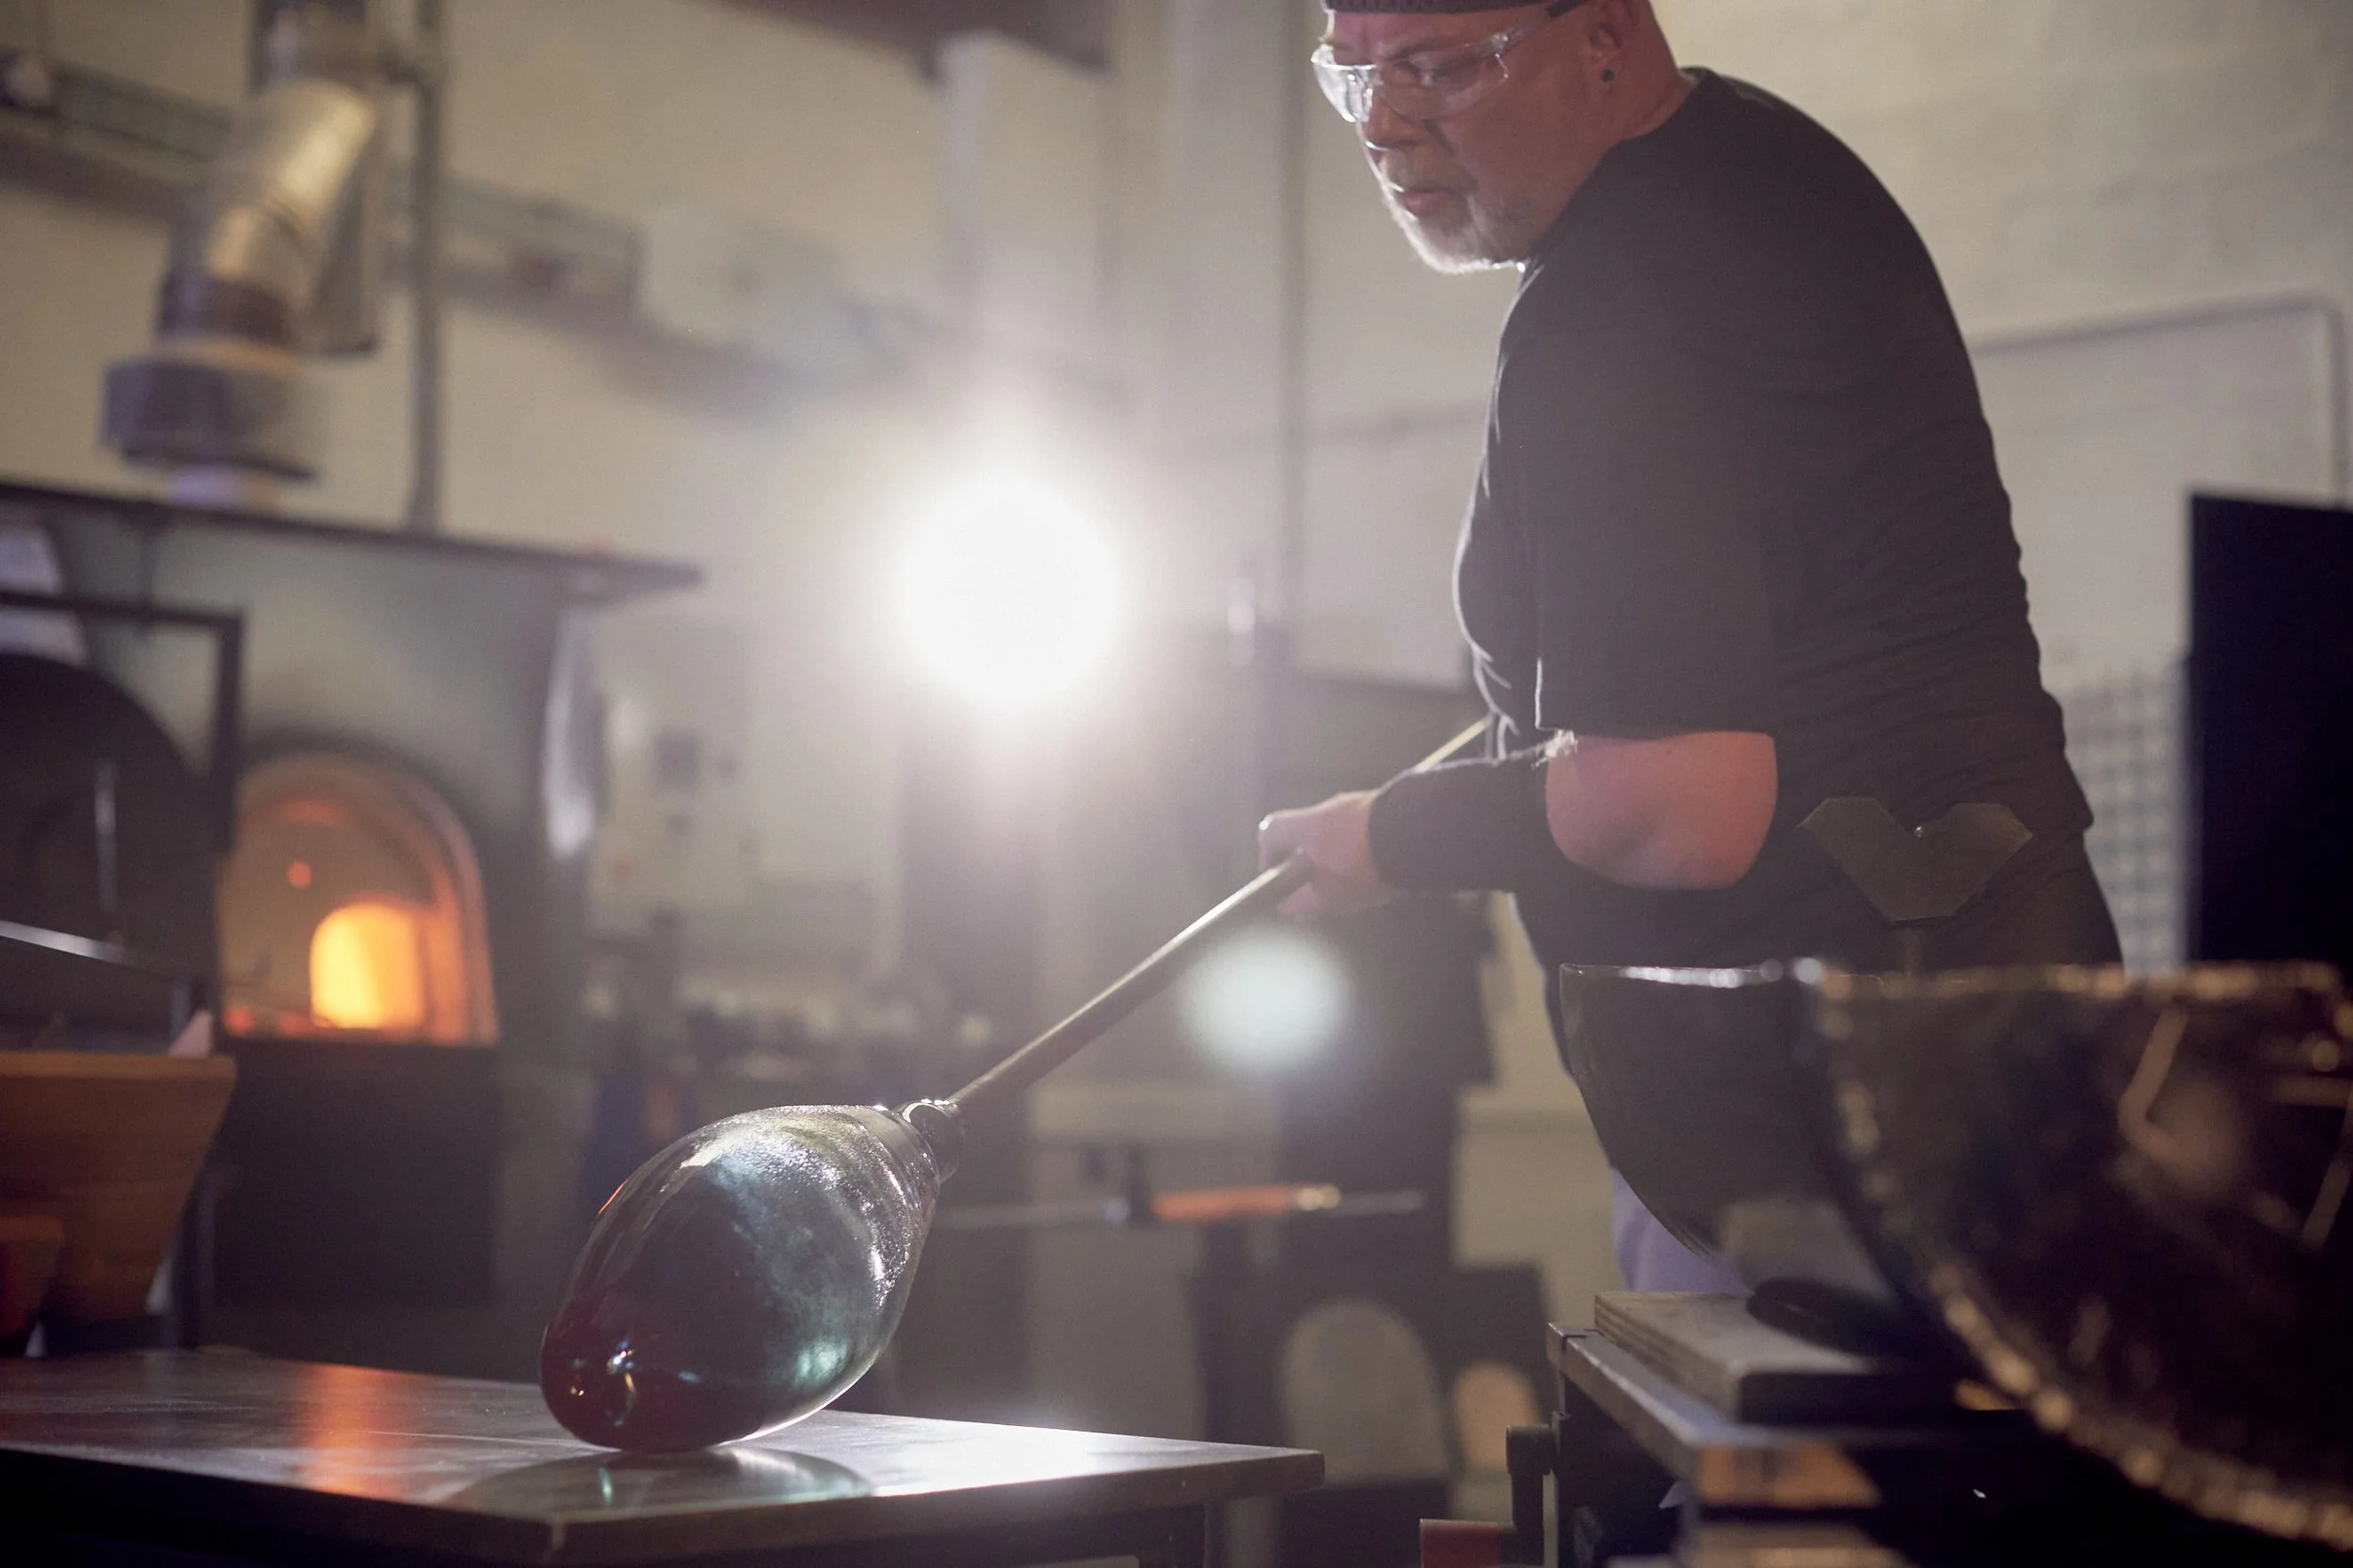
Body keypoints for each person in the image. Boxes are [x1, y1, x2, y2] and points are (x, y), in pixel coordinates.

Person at [1256, 0, 2120, 1291]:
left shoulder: (1621, 310)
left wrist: (1390, 837)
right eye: (1355, 75)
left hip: (1848, 1136)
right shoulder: (1760, 165)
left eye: (1439, 67)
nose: (1385, 123)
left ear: (1602, 37)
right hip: (1970, 1063)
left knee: (1808, 1499)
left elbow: (1679, 805)